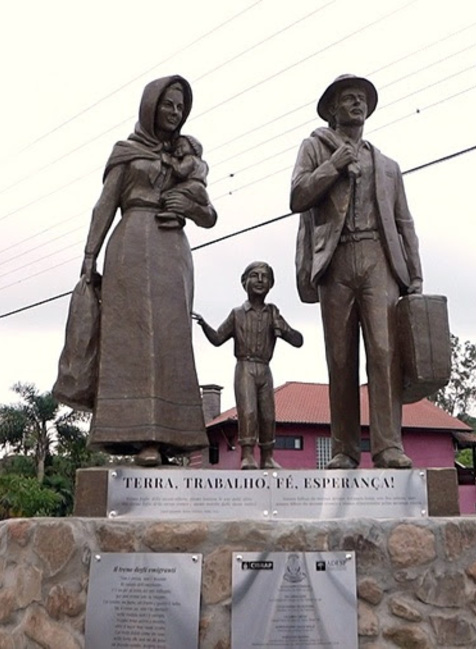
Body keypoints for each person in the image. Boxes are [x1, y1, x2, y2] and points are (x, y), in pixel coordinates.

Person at [78, 75, 217, 467]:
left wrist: (185, 206)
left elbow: (209, 214)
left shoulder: (188, 158)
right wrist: (90, 256)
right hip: (130, 248)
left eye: (180, 107)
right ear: (150, 106)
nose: (174, 113)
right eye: (168, 104)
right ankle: (140, 437)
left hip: (173, 253)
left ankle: (173, 438)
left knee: (171, 341)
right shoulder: (127, 151)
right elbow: (104, 205)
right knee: (134, 342)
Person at [290, 74, 423, 470]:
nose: (357, 104)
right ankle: (345, 449)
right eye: (348, 99)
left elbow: (405, 223)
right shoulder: (315, 147)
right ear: (331, 109)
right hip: (336, 260)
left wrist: (414, 276)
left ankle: (387, 447)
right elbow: (297, 196)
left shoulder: (387, 166)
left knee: (384, 353)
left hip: (379, 259)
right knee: (340, 358)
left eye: (361, 99)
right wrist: (332, 165)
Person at [193, 261, 303, 470]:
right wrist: (204, 324)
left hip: (265, 368)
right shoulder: (237, 314)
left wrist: (284, 330)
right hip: (244, 367)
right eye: (255, 275)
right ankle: (247, 455)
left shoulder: (273, 313)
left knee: (268, 414)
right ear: (244, 282)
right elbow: (217, 338)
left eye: (265, 277)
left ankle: (268, 456)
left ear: (271, 284)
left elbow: (298, 341)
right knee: (248, 412)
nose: (260, 280)